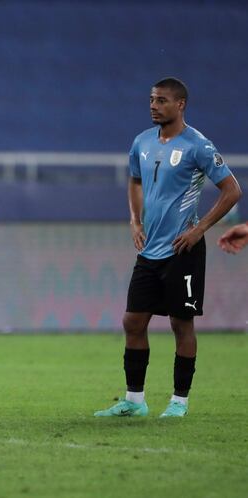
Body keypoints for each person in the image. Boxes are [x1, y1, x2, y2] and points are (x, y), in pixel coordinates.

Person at [95, 77, 241, 418]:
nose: (153, 106)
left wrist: (200, 228)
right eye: (151, 99)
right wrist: (134, 219)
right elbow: (134, 180)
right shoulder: (142, 142)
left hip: (182, 248)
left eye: (161, 100)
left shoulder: (198, 146)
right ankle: (134, 400)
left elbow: (232, 190)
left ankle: (179, 402)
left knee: (181, 324)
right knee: (132, 321)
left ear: (180, 105)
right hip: (149, 250)